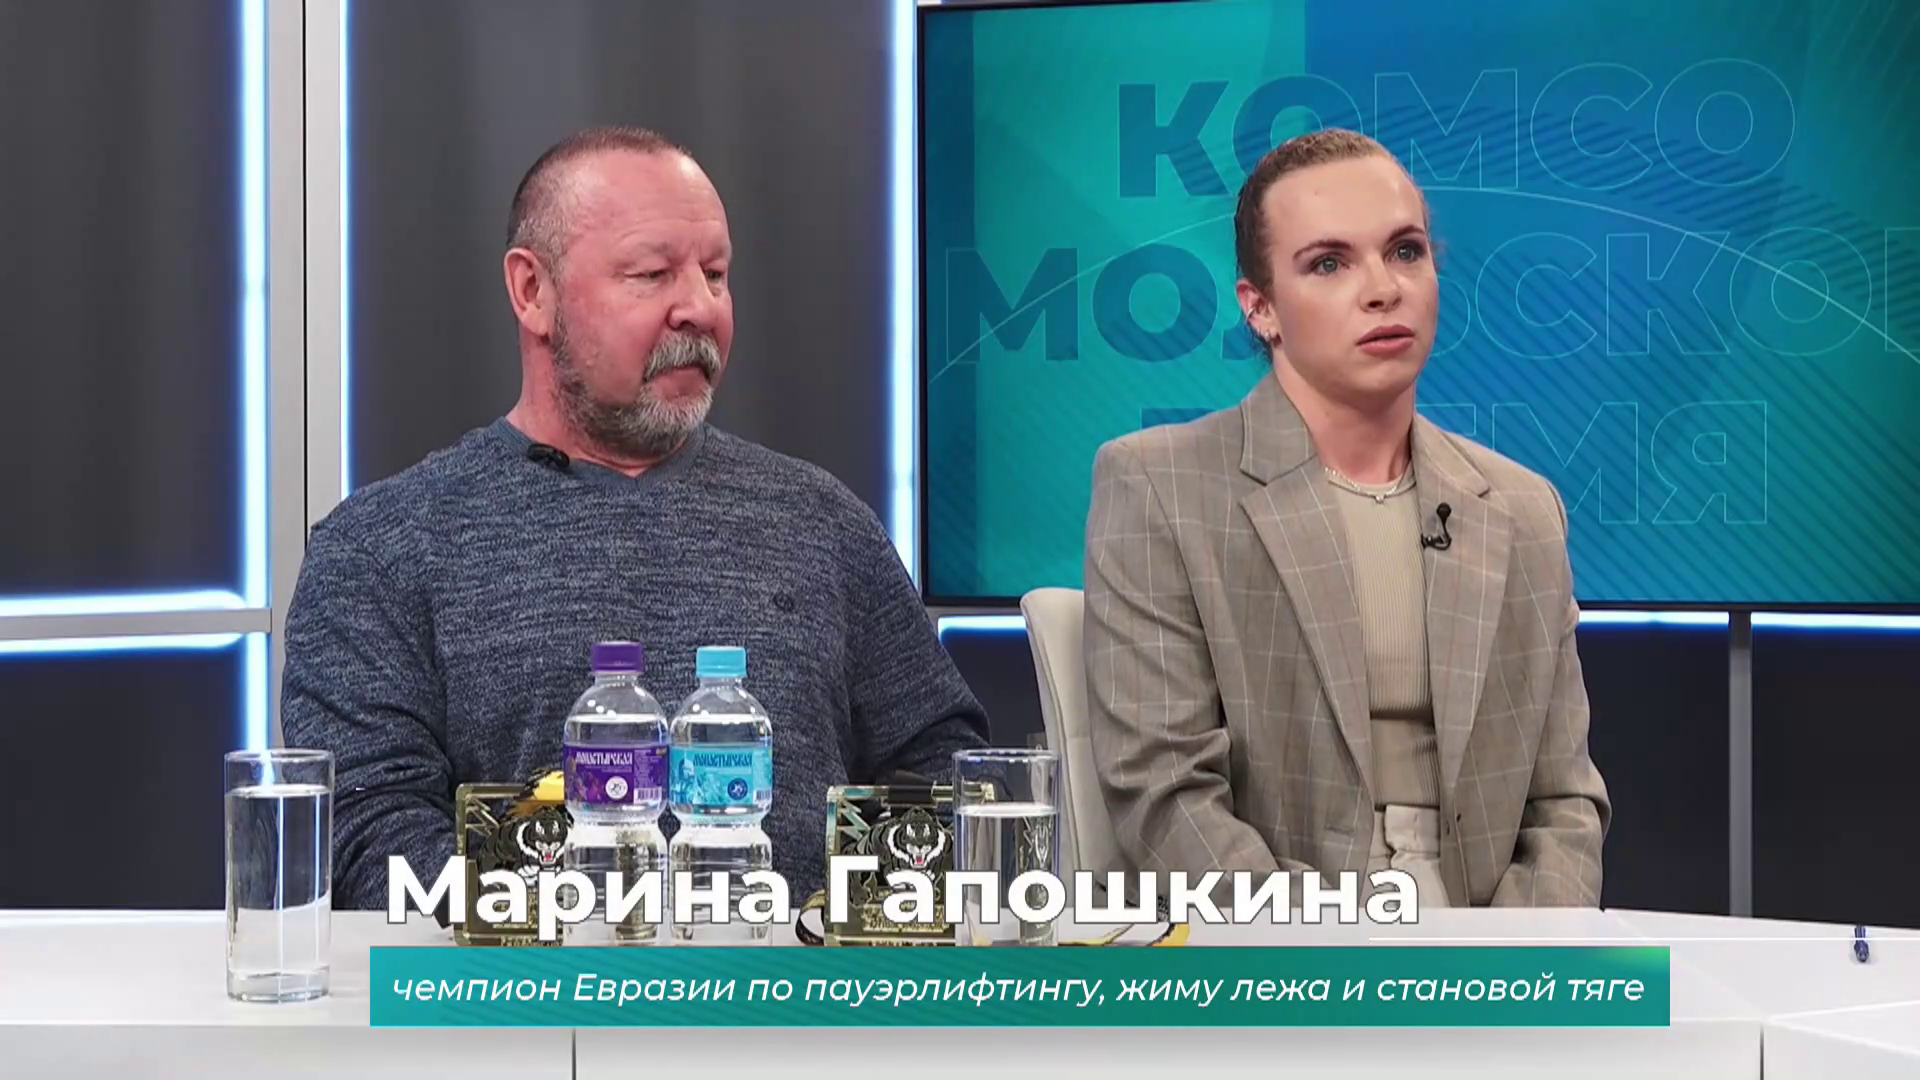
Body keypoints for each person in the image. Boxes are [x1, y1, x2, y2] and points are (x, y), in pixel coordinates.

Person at [281, 126, 989, 909]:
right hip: (529, 982)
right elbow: (364, 831)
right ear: (532, 291)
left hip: (796, 979)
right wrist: (581, 933)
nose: (700, 309)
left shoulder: (820, 520)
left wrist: (834, 929)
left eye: (715, 274)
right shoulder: (383, 547)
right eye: (652, 275)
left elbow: (941, 770)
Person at [1081, 129, 1609, 908]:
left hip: (1488, 935)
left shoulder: (1522, 509)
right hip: (1276, 936)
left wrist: (1517, 954)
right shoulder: (1160, 486)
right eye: (1329, 263)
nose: (1383, 289)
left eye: (1405, 251)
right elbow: (1165, 795)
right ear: (1261, 308)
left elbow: (1564, 804)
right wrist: (1332, 946)